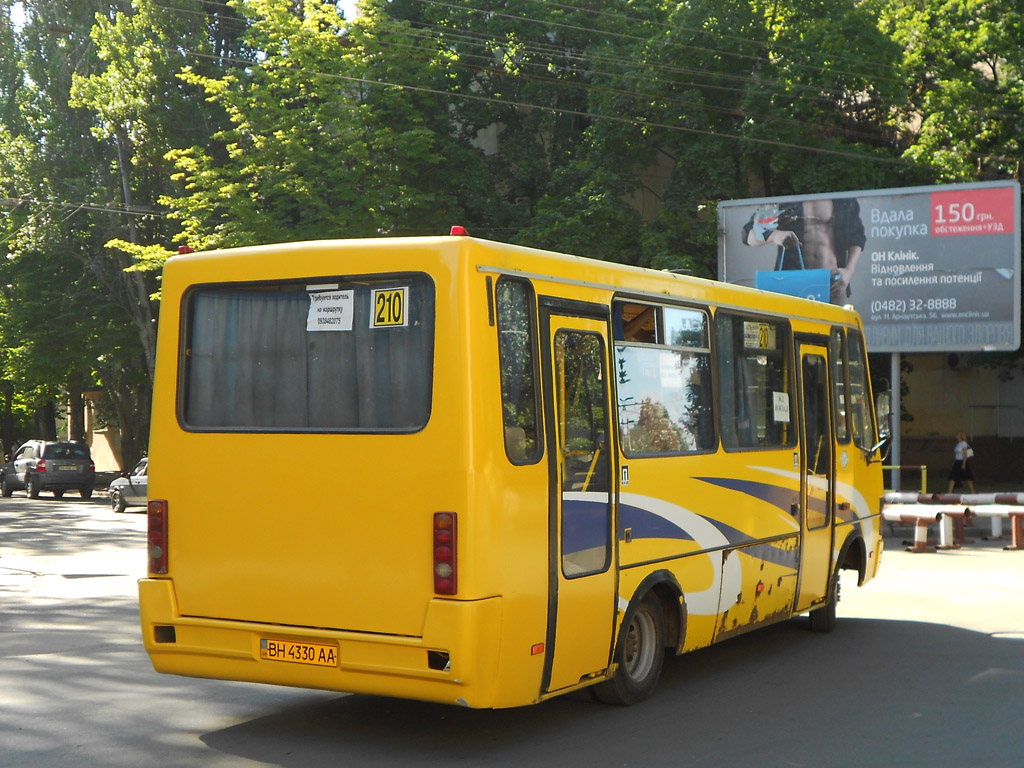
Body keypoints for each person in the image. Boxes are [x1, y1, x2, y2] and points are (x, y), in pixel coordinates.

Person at [742, 197, 866, 304]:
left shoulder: (842, 199)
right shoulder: (784, 201)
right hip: (793, 283)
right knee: (791, 330)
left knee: (833, 329)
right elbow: (749, 235)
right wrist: (774, 235)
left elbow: (857, 237)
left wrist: (849, 271)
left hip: (831, 281)